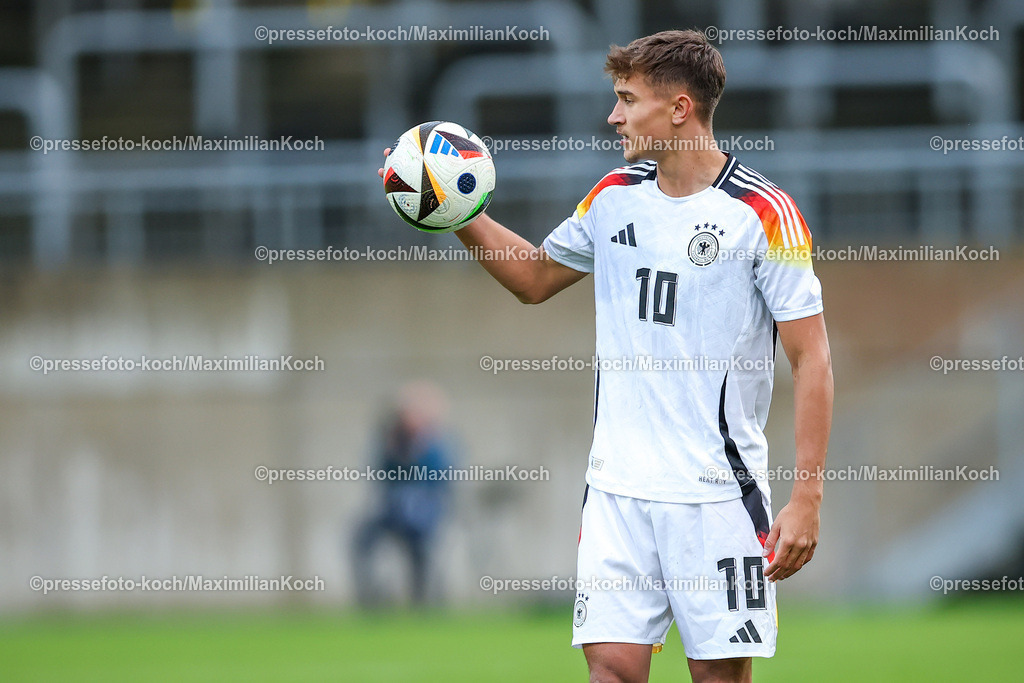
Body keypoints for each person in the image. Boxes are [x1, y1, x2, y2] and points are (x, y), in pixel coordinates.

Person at [378, 29, 832, 683]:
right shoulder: (614, 193)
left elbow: (812, 356)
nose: (613, 116)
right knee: (612, 672)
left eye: (627, 99)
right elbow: (534, 277)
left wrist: (807, 496)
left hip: (717, 497)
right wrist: (453, 208)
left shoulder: (763, 214)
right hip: (617, 490)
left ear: (678, 108)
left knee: (716, 678)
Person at [352, 382, 452, 607]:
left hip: (423, 516)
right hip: (391, 511)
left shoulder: (437, 445)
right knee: (361, 541)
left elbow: (441, 481)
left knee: (422, 553)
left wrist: (418, 453)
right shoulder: (391, 442)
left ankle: (422, 602)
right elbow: (380, 475)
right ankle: (371, 598)